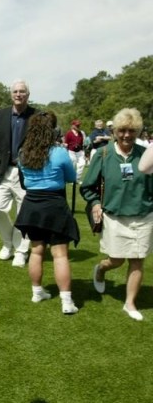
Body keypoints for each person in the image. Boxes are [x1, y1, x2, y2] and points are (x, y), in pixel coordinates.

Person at [81, 108, 153, 321]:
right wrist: (95, 203)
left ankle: (130, 303)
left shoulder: (145, 155)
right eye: (122, 130)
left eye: (132, 131)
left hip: (143, 216)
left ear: (138, 131)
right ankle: (101, 269)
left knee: (138, 260)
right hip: (114, 217)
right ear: (115, 131)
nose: (127, 135)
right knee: (116, 260)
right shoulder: (103, 154)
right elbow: (87, 187)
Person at [14, 111, 79, 315]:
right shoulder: (59, 152)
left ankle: (37, 292)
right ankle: (66, 302)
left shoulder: (24, 153)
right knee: (60, 255)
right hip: (54, 205)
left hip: (32, 205)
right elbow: (71, 177)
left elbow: (24, 181)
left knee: (36, 251)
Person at [0, 79, 36, 267]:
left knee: (24, 213)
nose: (18, 94)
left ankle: (21, 250)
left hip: (27, 173)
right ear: (11, 94)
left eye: (22, 91)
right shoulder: (1, 115)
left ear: (27, 95)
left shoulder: (37, 116)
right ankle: (8, 243)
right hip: (4, 170)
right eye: (15, 91)